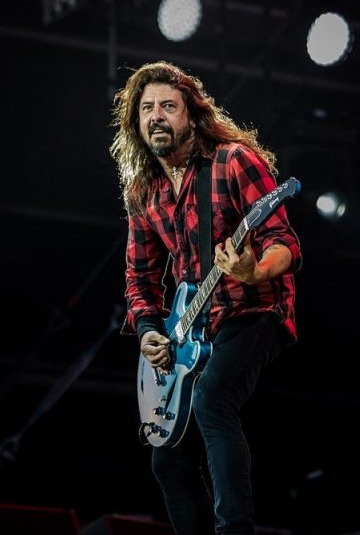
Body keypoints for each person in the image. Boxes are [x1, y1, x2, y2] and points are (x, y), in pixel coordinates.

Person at [109, 61, 302, 535]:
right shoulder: (143, 192)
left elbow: (286, 243)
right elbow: (140, 279)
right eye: (147, 108)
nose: (156, 116)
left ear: (190, 116)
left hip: (255, 310)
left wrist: (252, 268)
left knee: (212, 402)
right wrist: (151, 332)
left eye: (168, 107)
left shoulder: (233, 160)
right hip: (193, 328)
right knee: (166, 459)